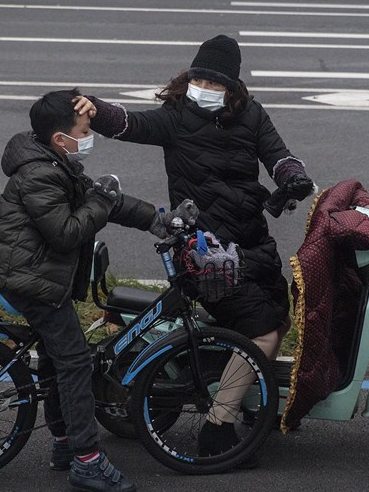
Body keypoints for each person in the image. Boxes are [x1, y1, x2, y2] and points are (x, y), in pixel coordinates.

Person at [73, 35, 315, 460]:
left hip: (253, 243)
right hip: (206, 253)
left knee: (277, 317)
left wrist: (293, 177)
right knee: (263, 330)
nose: (203, 85)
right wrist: (94, 106)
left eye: (214, 81)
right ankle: (218, 428)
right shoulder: (175, 118)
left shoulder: (253, 116)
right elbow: (129, 123)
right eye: (197, 77)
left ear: (232, 88)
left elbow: (279, 157)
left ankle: (243, 398)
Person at [0, 88, 198, 492]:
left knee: (56, 354)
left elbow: (105, 203)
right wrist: (100, 197)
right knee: (75, 363)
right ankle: (87, 462)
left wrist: (159, 219)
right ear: (61, 138)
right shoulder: (41, 173)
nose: (89, 133)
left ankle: (63, 444)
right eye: (84, 128)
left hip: (31, 270)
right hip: (31, 279)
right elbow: (67, 233)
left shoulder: (51, 159)